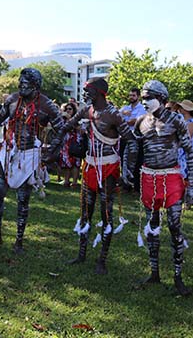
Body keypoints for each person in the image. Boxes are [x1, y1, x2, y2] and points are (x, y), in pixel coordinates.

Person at [53, 77, 136, 274]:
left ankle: (102, 260)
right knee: (85, 212)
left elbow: (131, 141)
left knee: (106, 214)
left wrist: (127, 171)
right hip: (89, 167)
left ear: (98, 92)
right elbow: (67, 125)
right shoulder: (86, 110)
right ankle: (81, 254)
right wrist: (56, 138)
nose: (84, 94)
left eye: (87, 90)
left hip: (107, 170)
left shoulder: (113, 115)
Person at [0, 68, 64, 253]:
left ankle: (19, 241)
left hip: (29, 155)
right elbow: (0, 119)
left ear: (35, 86)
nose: (20, 86)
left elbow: (62, 129)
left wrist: (53, 151)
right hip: (8, 151)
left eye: (25, 84)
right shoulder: (12, 100)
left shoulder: (47, 105)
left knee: (22, 199)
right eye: (19, 83)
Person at [134, 80, 193, 296]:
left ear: (161, 99)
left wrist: (192, 186)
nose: (144, 101)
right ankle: (154, 272)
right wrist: (126, 169)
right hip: (149, 178)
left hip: (171, 178)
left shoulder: (176, 120)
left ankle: (178, 276)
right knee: (153, 226)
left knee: (175, 226)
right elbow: (132, 147)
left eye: (148, 97)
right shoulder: (141, 121)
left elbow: (190, 151)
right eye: (142, 97)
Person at [176, 100, 193, 203]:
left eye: (181, 107)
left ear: (186, 110)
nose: (180, 109)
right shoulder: (180, 120)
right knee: (179, 174)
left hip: (187, 150)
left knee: (188, 174)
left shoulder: (192, 122)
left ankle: (189, 199)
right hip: (179, 150)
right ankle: (179, 196)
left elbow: (187, 137)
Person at [59, 103, 82, 187]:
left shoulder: (77, 119)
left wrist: (70, 119)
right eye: (66, 109)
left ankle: (75, 182)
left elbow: (80, 129)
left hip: (75, 142)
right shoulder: (63, 120)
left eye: (70, 109)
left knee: (76, 163)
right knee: (66, 162)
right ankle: (66, 181)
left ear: (74, 110)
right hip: (65, 143)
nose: (68, 111)